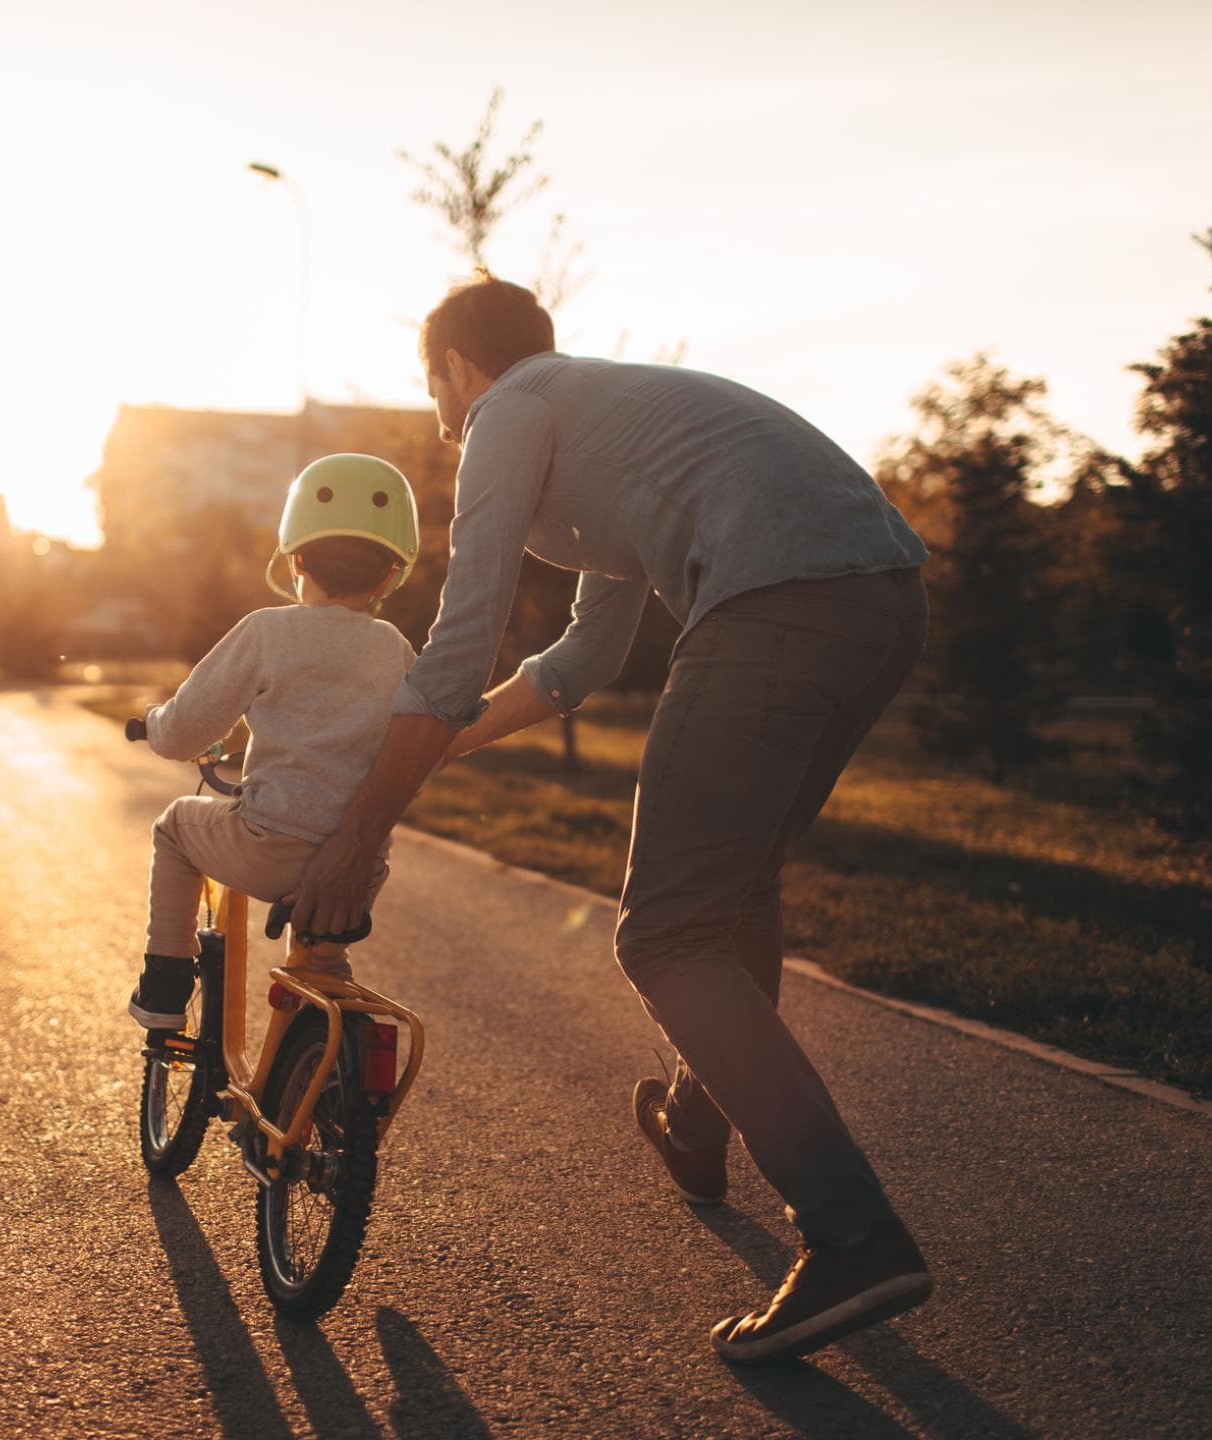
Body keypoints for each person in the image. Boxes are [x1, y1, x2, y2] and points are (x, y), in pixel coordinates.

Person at [287, 273, 934, 1364]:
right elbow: (582, 657)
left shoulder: (510, 412)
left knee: (662, 934)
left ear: (455, 368)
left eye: (430, 382)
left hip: (773, 605)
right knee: (733, 894)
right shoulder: (603, 419)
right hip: (882, 601)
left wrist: (361, 831)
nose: (439, 411)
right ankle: (697, 1119)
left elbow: (461, 643)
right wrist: (429, 751)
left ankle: (853, 1231)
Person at [127, 453, 420, 1029]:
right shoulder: (396, 649)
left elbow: (186, 729)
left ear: (295, 560)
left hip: (269, 851)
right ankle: (323, 1025)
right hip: (359, 872)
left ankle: (163, 983)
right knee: (320, 968)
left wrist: (155, 723)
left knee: (176, 826)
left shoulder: (268, 631)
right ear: (390, 574)